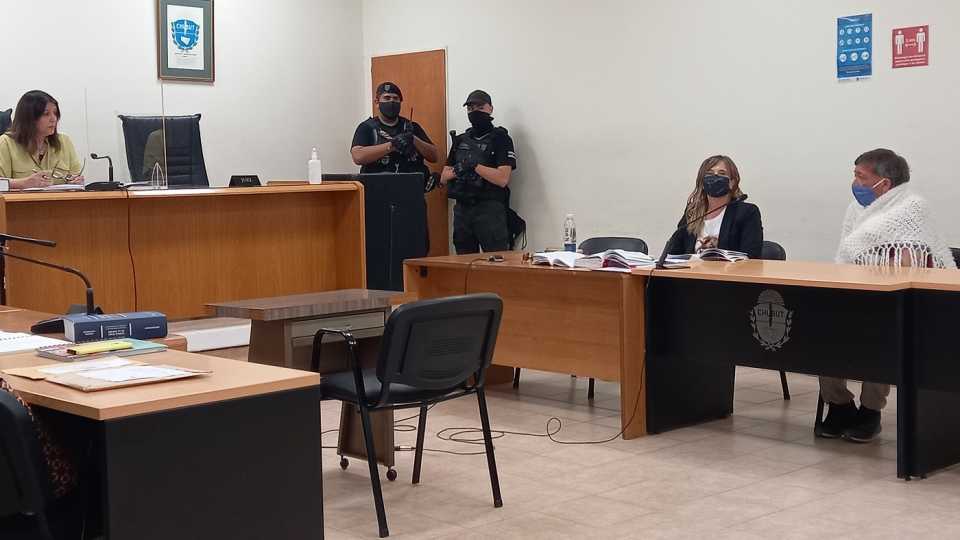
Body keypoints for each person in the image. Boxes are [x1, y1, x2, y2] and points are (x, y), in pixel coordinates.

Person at [819, 148, 955, 443]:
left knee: (879, 334)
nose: (855, 183)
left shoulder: (912, 208)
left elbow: (911, 261)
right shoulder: (856, 209)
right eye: (854, 175)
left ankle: (871, 410)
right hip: (856, 293)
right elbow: (847, 256)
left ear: (884, 182)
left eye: (861, 176)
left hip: (902, 302)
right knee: (822, 331)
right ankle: (839, 405)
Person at [441, 90, 517, 254]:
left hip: (489, 209)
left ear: (490, 108)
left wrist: (475, 166)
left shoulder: (501, 139)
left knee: (496, 262)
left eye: (480, 107)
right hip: (463, 209)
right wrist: (460, 169)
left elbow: (503, 178)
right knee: (464, 263)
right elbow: (444, 176)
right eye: (470, 108)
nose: (474, 111)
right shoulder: (461, 140)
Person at [665, 155, 763, 259]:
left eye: (722, 173)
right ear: (702, 182)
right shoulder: (693, 212)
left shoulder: (747, 213)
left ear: (732, 182)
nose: (715, 177)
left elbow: (751, 256)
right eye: (709, 174)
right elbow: (674, 253)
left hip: (728, 269)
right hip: (692, 268)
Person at [350, 82, 439, 179]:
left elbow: (434, 156)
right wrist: (393, 145)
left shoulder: (411, 126)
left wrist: (413, 139)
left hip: (410, 184)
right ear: (377, 103)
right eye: (387, 98)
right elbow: (357, 157)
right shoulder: (367, 127)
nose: (391, 102)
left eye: (395, 98)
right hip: (378, 185)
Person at [0, 90, 85, 189]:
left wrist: (77, 181)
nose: (53, 119)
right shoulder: (6, 143)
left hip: (59, 198)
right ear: (29, 117)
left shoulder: (64, 141)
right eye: (46, 114)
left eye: (55, 113)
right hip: (21, 199)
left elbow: (76, 176)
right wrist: (23, 183)